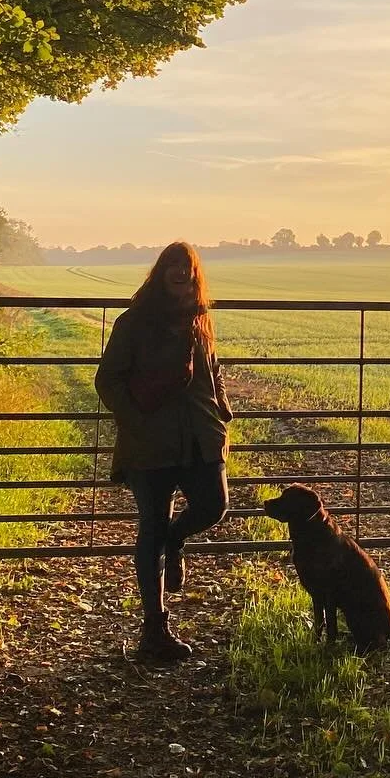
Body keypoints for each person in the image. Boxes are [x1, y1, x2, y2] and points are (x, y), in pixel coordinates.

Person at [95, 241, 232, 661]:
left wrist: (222, 409)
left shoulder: (200, 320)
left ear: (195, 274)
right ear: (160, 272)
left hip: (200, 439)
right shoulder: (135, 322)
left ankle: (174, 543)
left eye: (185, 266)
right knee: (151, 528)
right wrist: (136, 421)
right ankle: (154, 630)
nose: (178, 272)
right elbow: (108, 379)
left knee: (214, 506)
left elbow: (214, 369)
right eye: (171, 264)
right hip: (150, 444)